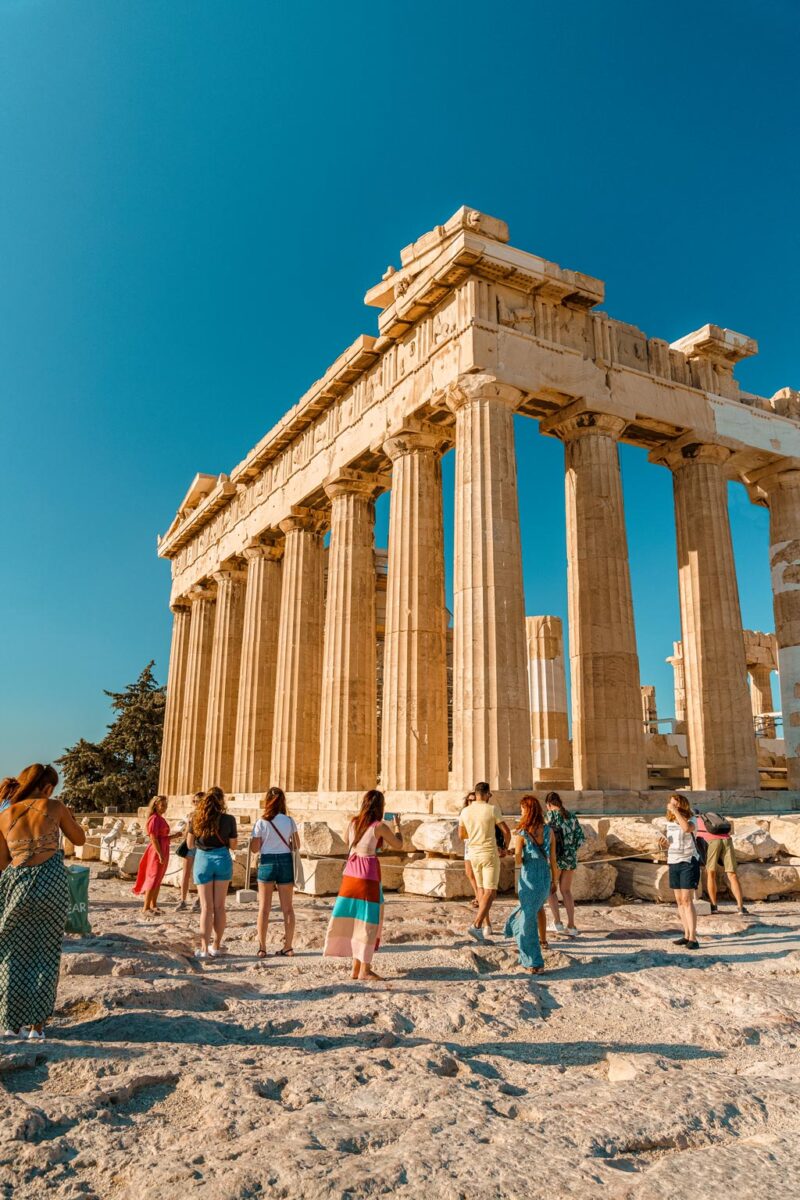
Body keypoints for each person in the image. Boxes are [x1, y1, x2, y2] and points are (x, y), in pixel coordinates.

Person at [0, 764, 86, 1039]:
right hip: (51, 883)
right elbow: (79, 839)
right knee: (46, 952)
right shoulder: (55, 806)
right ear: (47, 787)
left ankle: (11, 1024)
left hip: (16, 883)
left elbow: (2, 862)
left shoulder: (5, 814)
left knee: (11, 952)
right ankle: (37, 1026)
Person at [323, 789, 402, 982]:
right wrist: (398, 827)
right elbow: (398, 844)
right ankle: (365, 970)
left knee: (354, 919)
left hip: (350, 875)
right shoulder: (379, 826)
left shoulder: (352, 822)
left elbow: (346, 840)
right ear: (380, 807)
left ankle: (355, 968)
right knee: (368, 922)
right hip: (367, 876)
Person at [505, 795, 558, 973]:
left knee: (526, 920)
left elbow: (518, 860)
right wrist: (555, 880)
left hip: (528, 879)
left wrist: (514, 852)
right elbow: (553, 859)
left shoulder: (521, 833)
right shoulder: (548, 831)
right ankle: (526, 953)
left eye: (522, 809)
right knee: (529, 915)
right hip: (544, 878)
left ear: (527, 811)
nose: (520, 812)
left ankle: (535, 962)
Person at [187, 787, 238, 960]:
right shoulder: (229, 819)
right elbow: (233, 846)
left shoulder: (195, 818)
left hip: (203, 860)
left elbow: (189, 845)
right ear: (221, 801)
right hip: (222, 859)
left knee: (206, 908)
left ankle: (203, 950)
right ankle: (216, 945)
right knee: (219, 907)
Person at [250, 786, 300, 958]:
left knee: (264, 908)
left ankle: (262, 947)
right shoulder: (289, 821)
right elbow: (297, 845)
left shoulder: (261, 822)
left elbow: (255, 849)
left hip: (267, 862)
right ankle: (288, 946)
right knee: (288, 908)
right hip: (285, 861)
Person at [458, 781, 510, 943]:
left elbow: (461, 835)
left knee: (481, 890)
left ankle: (483, 926)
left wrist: (474, 835)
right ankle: (477, 924)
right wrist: (504, 847)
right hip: (489, 853)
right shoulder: (492, 809)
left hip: (473, 853)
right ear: (487, 794)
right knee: (491, 892)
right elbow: (506, 831)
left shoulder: (465, 811)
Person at [659, 793, 701, 951]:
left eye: (675, 804)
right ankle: (686, 933)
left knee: (687, 899)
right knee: (679, 900)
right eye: (670, 804)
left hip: (688, 861)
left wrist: (676, 812)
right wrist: (664, 843)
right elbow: (672, 842)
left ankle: (693, 937)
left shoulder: (692, 819)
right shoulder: (669, 822)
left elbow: (686, 828)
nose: (671, 806)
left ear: (682, 805)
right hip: (674, 860)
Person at [544, 792, 585, 938]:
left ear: (548, 804)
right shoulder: (572, 817)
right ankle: (572, 925)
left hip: (555, 859)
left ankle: (557, 922)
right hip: (570, 858)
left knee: (551, 890)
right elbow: (580, 839)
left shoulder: (548, 817)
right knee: (566, 891)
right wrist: (570, 850)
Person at [696, 814, 749, 915]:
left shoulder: (694, 820)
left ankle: (714, 906)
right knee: (732, 874)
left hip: (712, 841)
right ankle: (740, 907)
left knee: (711, 873)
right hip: (727, 840)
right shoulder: (710, 818)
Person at [133, 795, 171, 916]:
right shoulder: (154, 818)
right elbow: (153, 838)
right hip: (156, 850)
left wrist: (175, 836)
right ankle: (145, 908)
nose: (165, 807)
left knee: (158, 878)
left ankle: (153, 905)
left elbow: (162, 837)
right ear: (156, 805)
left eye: (166, 805)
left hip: (163, 849)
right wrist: (159, 854)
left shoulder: (161, 818)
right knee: (153, 878)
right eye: (163, 805)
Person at [176, 792, 203, 912]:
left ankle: (199, 900)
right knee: (186, 874)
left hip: (201, 847)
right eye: (195, 801)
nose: (196, 804)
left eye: (199, 801)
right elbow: (187, 831)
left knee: (200, 875)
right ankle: (182, 900)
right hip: (190, 846)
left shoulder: (206, 816)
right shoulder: (191, 815)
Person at [461, 791, 479, 909]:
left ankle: (479, 898)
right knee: (469, 872)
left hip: (478, 844)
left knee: (478, 873)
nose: (471, 802)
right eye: (469, 800)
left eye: (474, 800)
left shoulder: (480, 813)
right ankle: (478, 895)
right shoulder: (464, 813)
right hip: (468, 844)